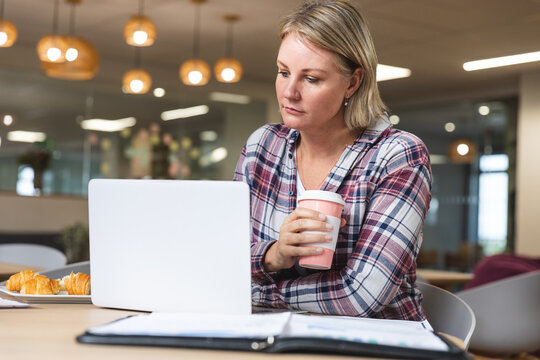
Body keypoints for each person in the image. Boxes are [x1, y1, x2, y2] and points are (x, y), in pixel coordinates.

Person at [234, 0, 432, 321]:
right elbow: (224, 259)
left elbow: (361, 296)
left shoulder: (397, 155)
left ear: (353, 83)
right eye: (283, 72)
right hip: (269, 330)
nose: (289, 92)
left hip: (372, 341)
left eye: (311, 79)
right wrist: (275, 254)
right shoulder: (262, 146)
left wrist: (259, 289)